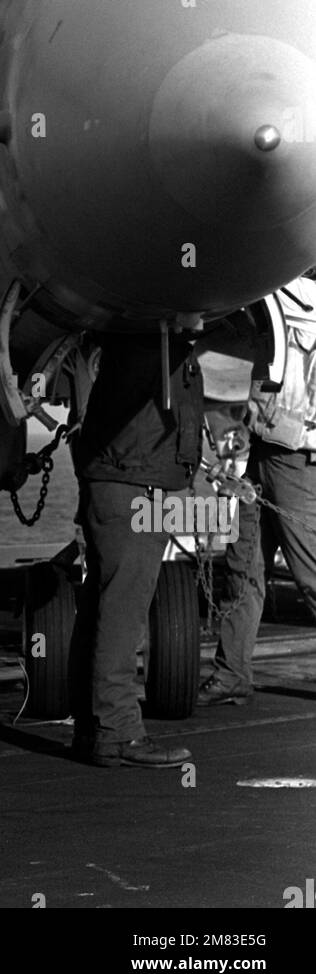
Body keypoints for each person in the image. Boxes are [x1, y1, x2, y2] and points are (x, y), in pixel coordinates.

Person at [68, 330, 199, 768]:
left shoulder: (142, 345)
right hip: (134, 487)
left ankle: (95, 731)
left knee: (104, 606)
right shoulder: (149, 342)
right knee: (123, 611)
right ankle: (119, 730)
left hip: (125, 483)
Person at [199, 273, 316, 706]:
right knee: (243, 566)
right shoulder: (274, 285)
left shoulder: (294, 292)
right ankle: (231, 673)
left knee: (310, 573)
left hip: (295, 455)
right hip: (259, 446)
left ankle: (232, 673)